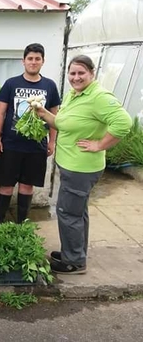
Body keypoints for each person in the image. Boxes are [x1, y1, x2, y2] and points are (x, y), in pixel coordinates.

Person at [33, 55, 132, 274]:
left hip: (82, 167)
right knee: (77, 212)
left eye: (81, 73)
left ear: (91, 73)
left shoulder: (98, 96)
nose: (75, 78)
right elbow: (62, 122)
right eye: (72, 73)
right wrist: (43, 114)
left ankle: (74, 262)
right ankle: (74, 251)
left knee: (67, 212)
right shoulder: (74, 94)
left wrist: (100, 144)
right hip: (72, 165)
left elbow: (123, 122)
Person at [0, 43, 60, 224]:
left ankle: (21, 224)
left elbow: (55, 116)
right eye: (30, 58)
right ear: (23, 61)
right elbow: (0, 113)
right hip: (10, 144)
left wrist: (52, 142)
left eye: (37, 59)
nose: (33, 62)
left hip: (36, 147)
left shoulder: (50, 86)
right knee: (6, 185)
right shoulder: (11, 84)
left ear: (43, 61)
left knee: (27, 186)